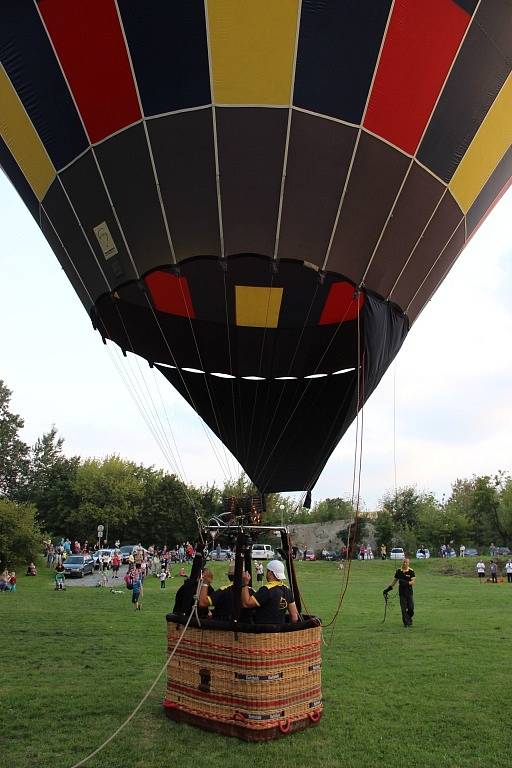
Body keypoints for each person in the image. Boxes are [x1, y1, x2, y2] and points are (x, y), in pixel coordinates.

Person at [241, 560, 298, 625]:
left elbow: (246, 604)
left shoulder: (266, 590)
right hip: (280, 632)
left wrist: (244, 584)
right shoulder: (287, 590)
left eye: (267, 571)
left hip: (264, 632)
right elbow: (294, 617)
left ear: (270, 573)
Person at [383, 557, 416, 627]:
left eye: (406, 562)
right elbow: (394, 581)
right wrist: (387, 589)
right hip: (402, 593)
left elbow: (413, 582)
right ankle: (406, 623)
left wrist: (406, 583)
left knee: (411, 608)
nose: (405, 563)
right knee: (403, 609)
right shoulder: (398, 571)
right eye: (404, 562)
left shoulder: (411, 571)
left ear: (408, 563)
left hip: (409, 592)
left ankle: (409, 617)